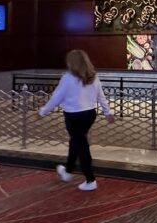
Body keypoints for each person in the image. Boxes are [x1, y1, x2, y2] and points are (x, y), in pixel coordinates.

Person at [39, 49, 114, 191]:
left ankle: (90, 180)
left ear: (72, 63)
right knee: (76, 141)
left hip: (74, 117)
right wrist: (107, 112)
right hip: (89, 115)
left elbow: (57, 97)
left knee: (81, 145)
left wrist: (43, 111)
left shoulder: (67, 78)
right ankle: (67, 171)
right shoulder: (93, 76)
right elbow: (101, 96)